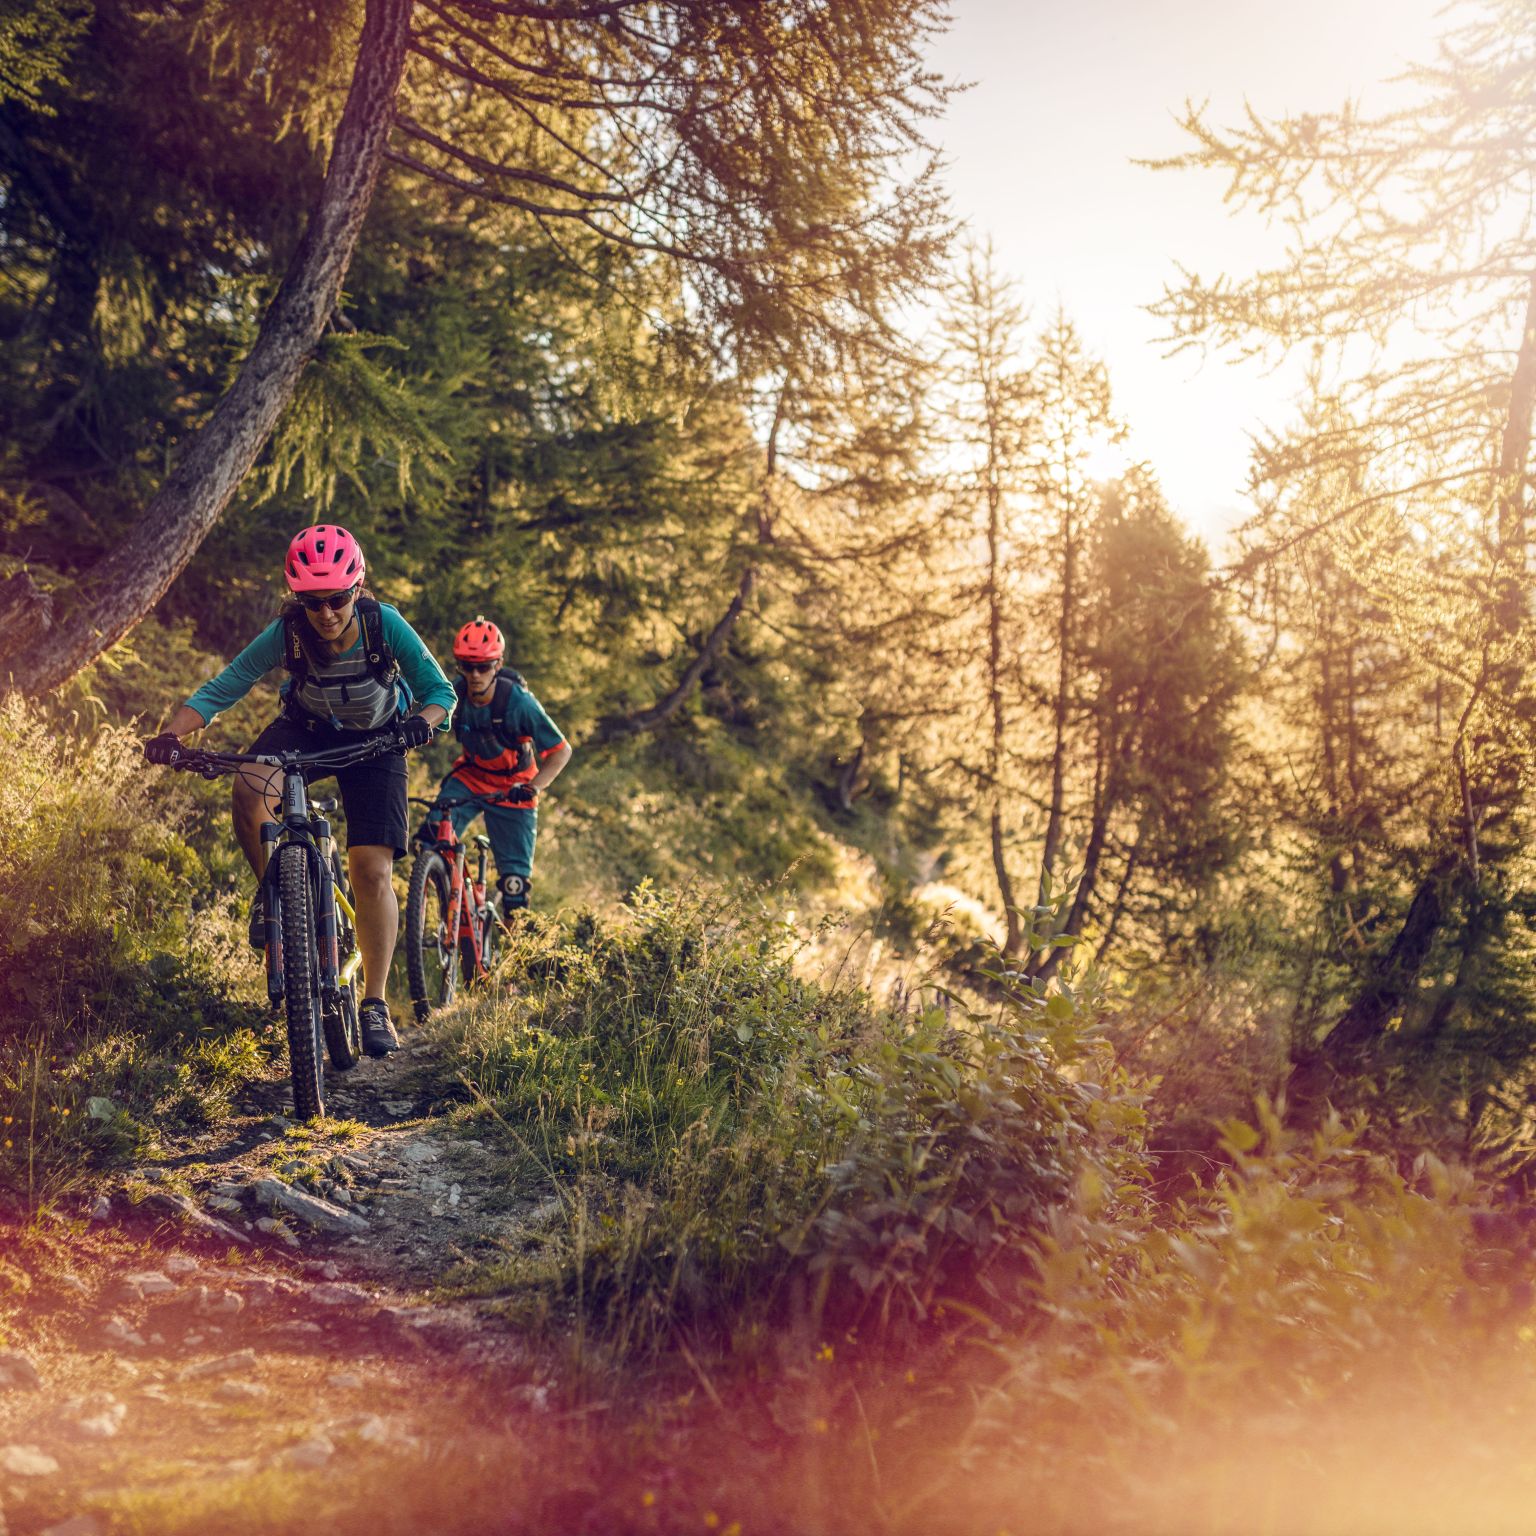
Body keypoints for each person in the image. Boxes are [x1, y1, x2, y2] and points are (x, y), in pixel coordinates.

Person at [143, 525, 458, 1057]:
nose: (327, 613)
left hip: (380, 741)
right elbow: (225, 688)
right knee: (249, 785)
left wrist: (420, 724)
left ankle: (375, 1004)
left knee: (371, 870)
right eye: (313, 603)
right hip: (306, 732)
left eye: (337, 599)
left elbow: (440, 694)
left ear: (357, 589)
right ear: (297, 599)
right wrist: (172, 734)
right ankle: (278, 899)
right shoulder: (288, 633)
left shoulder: (386, 626)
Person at [428, 616, 571, 920]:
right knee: (429, 839)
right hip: (470, 776)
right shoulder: (455, 694)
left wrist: (534, 786)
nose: (475, 675)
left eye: (484, 666)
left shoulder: (519, 703)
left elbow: (560, 751)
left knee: (514, 888)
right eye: (467, 666)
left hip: (514, 786)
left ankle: (517, 956)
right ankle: (448, 913)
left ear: (498, 664)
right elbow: (427, 720)